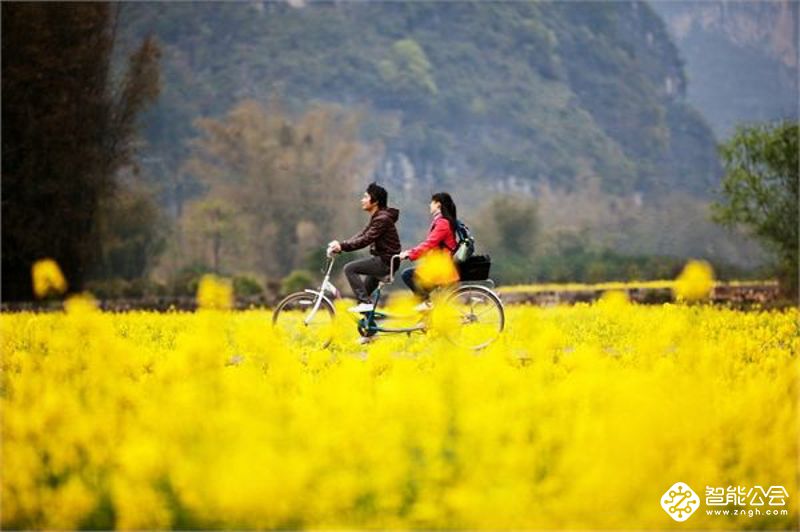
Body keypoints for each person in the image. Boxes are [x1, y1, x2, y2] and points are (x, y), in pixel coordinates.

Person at [329, 183, 401, 312]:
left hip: (385, 262)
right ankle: (369, 327)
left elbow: (365, 240)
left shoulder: (382, 219)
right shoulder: (378, 217)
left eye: (366, 197)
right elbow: (362, 234)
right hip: (384, 260)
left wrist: (342, 246)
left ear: (375, 201)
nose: (362, 200)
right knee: (363, 297)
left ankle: (366, 304)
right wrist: (341, 244)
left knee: (350, 268)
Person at [398, 192, 458, 308]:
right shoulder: (443, 221)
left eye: (432, 202)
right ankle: (427, 310)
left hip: (441, 270)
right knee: (417, 284)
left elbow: (429, 244)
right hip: (440, 266)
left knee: (408, 275)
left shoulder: (442, 223)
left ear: (438, 204)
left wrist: (409, 254)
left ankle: (427, 306)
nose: (429, 205)